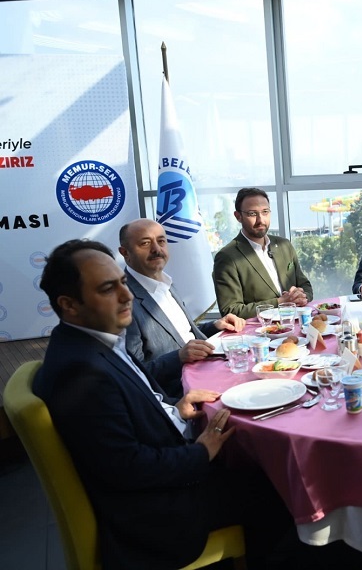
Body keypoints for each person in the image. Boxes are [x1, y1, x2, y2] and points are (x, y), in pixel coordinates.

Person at [32, 240, 293, 569]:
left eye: (123, 282)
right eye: (108, 289)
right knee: (276, 487)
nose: (126, 296)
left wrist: (175, 408)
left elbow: (125, 413)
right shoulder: (80, 374)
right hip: (156, 518)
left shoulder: (89, 342)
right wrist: (201, 452)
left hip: (160, 479)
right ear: (69, 305)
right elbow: (126, 468)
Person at [119, 218, 246, 398]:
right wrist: (178, 357)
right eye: (145, 243)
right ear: (125, 253)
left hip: (209, 370)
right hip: (181, 394)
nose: (156, 249)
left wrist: (215, 326)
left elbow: (183, 335)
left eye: (161, 241)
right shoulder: (123, 302)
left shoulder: (166, 282)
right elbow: (134, 374)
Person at [213, 188, 313, 319]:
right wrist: (280, 302)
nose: (261, 220)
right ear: (238, 216)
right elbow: (231, 310)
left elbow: (305, 285)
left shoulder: (284, 245)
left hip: (296, 321)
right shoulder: (227, 257)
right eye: (252, 214)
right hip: (259, 329)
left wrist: (302, 296)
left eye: (265, 212)